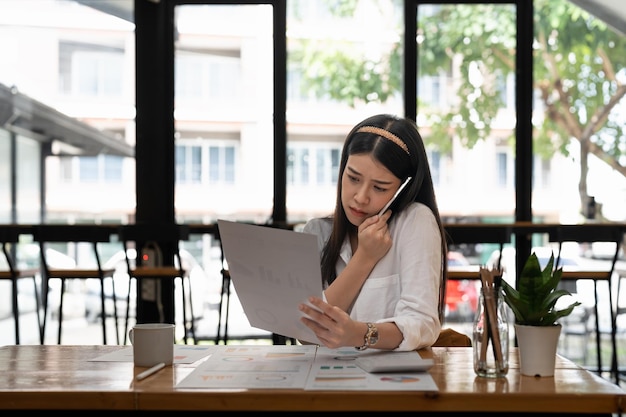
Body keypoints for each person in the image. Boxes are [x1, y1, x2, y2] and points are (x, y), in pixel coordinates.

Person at [298, 113, 448, 351]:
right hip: (325, 378)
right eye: (353, 178)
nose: (360, 197)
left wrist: (359, 334)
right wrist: (365, 258)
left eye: (379, 187)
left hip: (391, 383)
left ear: (403, 189)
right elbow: (305, 334)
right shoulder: (318, 231)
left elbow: (422, 324)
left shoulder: (414, 222)